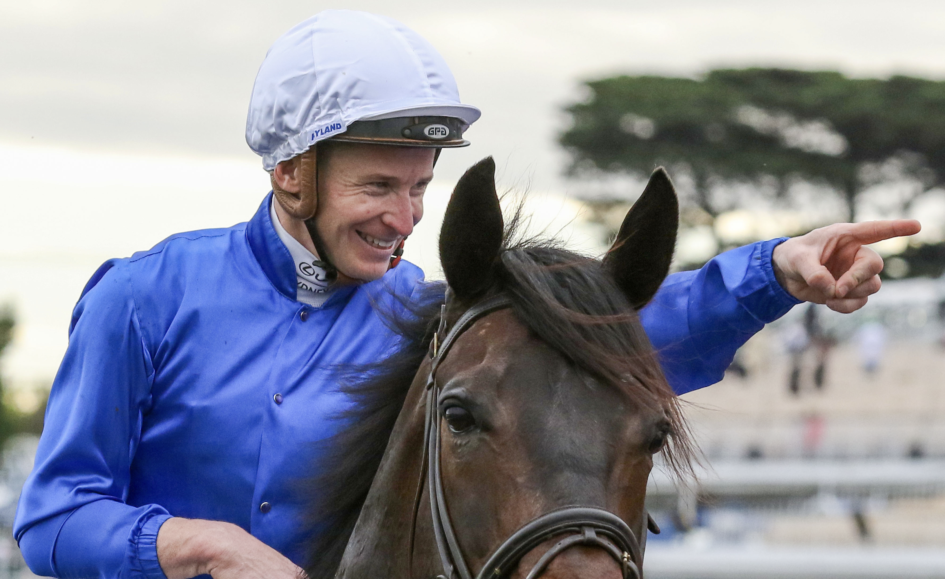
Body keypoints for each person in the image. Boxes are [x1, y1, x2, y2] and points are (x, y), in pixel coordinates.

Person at [13, 9, 920, 579]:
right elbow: (53, 520)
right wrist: (202, 546)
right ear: (291, 171)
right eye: (378, 187)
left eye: (419, 189)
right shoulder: (144, 297)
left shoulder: (427, 316)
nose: (403, 217)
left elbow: (614, 337)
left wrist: (772, 274)